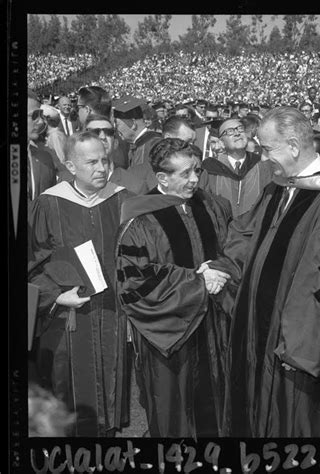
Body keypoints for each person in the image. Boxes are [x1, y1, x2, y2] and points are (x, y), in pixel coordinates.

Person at [208, 106, 320, 437]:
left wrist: (299, 348)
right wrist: (221, 267)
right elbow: (245, 236)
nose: (263, 158)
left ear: (293, 145)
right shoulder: (278, 188)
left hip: (292, 352)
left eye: (267, 149)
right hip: (257, 333)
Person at [115, 138, 231, 438]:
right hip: (168, 331)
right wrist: (197, 281)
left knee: (213, 399)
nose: (195, 179)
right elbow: (135, 281)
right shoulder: (141, 217)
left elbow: (228, 250)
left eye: (197, 171)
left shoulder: (210, 206)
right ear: (163, 178)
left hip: (212, 325)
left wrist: (219, 270)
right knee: (173, 406)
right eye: (186, 174)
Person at [28, 131, 131, 436]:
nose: (102, 168)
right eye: (92, 162)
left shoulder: (123, 199)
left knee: (111, 394)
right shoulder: (49, 204)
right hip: (69, 318)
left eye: (105, 160)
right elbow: (31, 263)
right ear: (71, 167)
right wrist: (56, 296)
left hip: (113, 313)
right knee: (69, 395)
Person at [199, 118, 273, 219]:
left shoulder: (261, 166)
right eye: (230, 131)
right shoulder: (210, 169)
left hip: (253, 230)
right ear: (221, 142)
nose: (237, 133)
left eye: (240, 129)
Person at [84, 114, 148, 194]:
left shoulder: (134, 186)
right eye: (95, 132)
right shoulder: (67, 185)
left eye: (108, 132)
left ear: (116, 143)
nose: (103, 137)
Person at [77, 85, 129, 170]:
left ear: (87, 109)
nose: (77, 112)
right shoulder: (118, 136)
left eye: (78, 107)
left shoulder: (102, 139)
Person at [113, 96, 162, 168]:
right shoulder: (136, 146)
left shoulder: (154, 145)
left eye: (117, 124)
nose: (116, 129)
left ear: (133, 124)